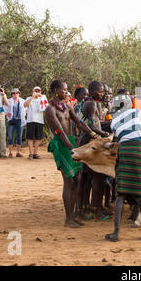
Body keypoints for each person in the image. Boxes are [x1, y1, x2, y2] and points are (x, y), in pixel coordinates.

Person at [105, 100, 141, 242]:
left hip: (124, 150)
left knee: (121, 192)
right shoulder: (137, 112)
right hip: (138, 149)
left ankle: (116, 232)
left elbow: (119, 138)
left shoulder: (114, 121)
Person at [46, 80, 97, 228]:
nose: (66, 92)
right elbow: (59, 131)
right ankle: (68, 218)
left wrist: (92, 133)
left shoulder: (67, 107)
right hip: (62, 145)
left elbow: (80, 122)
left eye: (67, 90)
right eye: (63, 90)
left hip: (71, 143)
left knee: (78, 179)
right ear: (55, 90)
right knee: (69, 180)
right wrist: (71, 148)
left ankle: (73, 216)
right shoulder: (50, 109)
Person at [79, 81, 111, 219]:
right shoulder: (91, 104)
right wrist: (105, 135)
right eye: (100, 91)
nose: (102, 94)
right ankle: (95, 209)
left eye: (103, 91)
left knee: (89, 177)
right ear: (91, 91)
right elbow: (92, 126)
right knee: (97, 176)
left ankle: (88, 207)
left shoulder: (93, 103)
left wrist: (109, 124)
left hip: (90, 140)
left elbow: (96, 123)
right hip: (90, 142)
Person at [24, 86, 48, 160]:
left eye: (38, 91)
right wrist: (32, 97)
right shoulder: (29, 98)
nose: (37, 92)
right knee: (30, 138)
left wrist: (41, 97)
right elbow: (25, 105)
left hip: (39, 120)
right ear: (33, 91)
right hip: (30, 120)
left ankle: (35, 153)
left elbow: (47, 107)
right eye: (35, 91)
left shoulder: (43, 98)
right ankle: (30, 153)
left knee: (38, 138)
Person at [5, 88, 26, 158]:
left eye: (17, 93)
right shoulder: (8, 100)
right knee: (10, 136)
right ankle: (10, 152)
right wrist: (6, 113)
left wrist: (24, 114)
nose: (15, 94)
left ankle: (18, 152)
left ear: (19, 94)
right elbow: (4, 107)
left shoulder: (22, 101)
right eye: (13, 93)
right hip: (11, 120)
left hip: (20, 120)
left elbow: (26, 108)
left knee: (19, 136)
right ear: (11, 94)